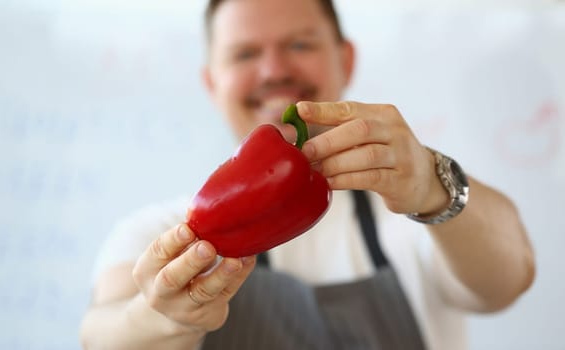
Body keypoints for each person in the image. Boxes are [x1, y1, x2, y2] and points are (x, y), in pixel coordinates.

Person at [80, 0, 535, 349]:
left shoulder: (410, 206)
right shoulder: (169, 231)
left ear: (347, 60)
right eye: (244, 54)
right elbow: (101, 334)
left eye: (300, 44)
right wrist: (163, 316)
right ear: (212, 81)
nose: (275, 69)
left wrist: (436, 187)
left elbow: (508, 279)